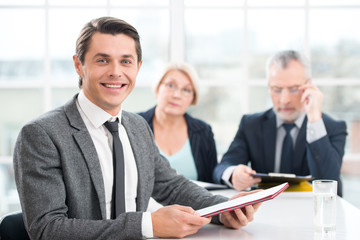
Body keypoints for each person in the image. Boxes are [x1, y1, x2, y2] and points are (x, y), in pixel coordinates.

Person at [13, 17, 261, 240]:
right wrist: (148, 225)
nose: (116, 72)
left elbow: (171, 186)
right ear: (79, 65)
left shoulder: (137, 126)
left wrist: (222, 209)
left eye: (126, 61)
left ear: (138, 67)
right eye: (102, 60)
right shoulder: (41, 135)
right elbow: (47, 229)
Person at [213, 50, 347, 196]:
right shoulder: (251, 125)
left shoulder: (332, 128)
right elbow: (222, 167)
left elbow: (328, 181)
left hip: (311, 212)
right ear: (268, 87)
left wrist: (314, 119)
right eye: (277, 89)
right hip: (265, 211)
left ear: (309, 86)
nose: (284, 100)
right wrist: (234, 174)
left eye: (294, 89)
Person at [138, 62, 217, 183]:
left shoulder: (203, 131)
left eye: (186, 90)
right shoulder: (135, 125)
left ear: (193, 98)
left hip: (193, 202)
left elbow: (212, 181)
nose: (177, 95)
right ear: (158, 88)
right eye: (171, 85)